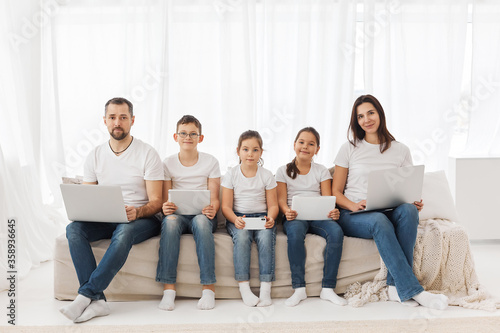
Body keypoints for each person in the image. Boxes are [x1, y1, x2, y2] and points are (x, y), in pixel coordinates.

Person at [332, 94, 448, 310]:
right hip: (354, 214)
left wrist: (412, 202)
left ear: (380, 114)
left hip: (388, 210)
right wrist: (353, 205)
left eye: (370, 113)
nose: (366, 119)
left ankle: (395, 287)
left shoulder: (400, 150)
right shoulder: (349, 148)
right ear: (356, 121)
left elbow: (407, 187)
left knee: (409, 212)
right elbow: (335, 192)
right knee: (378, 220)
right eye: (360, 116)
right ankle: (414, 290)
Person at [60, 97, 164, 323]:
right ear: (105, 121)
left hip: (142, 218)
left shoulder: (147, 153)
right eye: (113, 117)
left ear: (132, 121)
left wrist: (138, 211)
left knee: (124, 232)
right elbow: (88, 199)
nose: (118, 122)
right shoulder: (95, 155)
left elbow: (157, 201)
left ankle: (85, 294)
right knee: (74, 229)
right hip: (107, 217)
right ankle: (98, 302)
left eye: (123, 117)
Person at [276, 127, 346, 307]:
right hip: (295, 216)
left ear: (318, 149)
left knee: (336, 232)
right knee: (295, 233)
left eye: (311, 144)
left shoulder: (321, 171)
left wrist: (333, 211)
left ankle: (328, 288)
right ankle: (299, 289)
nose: (305, 147)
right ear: (294, 145)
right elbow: (282, 200)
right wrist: (286, 210)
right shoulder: (282, 170)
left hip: (318, 215)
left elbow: (327, 198)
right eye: (301, 142)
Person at [156, 115, 220, 311]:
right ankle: (169, 290)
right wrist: (165, 208)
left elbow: (215, 198)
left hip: (203, 214)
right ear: (175, 137)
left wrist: (212, 209)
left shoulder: (211, 162)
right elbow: (166, 198)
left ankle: (208, 289)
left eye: (193, 134)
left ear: (200, 138)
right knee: (170, 222)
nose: (188, 137)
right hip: (179, 214)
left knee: (201, 223)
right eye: (183, 133)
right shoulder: (167, 163)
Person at [221, 130, 278, 307]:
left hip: (262, 217)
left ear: (261, 152)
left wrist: (271, 217)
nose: (250, 154)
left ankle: (265, 290)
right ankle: (244, 289)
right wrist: (235, 219)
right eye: (245, 149)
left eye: (255, 150)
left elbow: (273, 205)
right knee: (243, 237)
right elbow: (226, 207)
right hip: (239, 217)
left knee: (266, 237)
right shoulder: (231, 174)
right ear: (238, 151)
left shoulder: (266, 175)